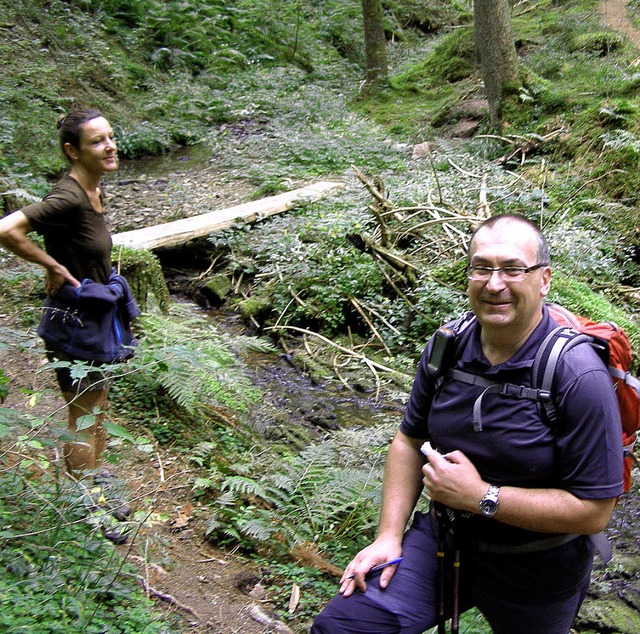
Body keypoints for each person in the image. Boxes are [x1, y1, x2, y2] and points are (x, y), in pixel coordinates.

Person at [311, 214, 623, 633]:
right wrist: (388, 535)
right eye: (482, 268)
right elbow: (409, 439)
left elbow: (593, 512)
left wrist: (482, 496)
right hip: (444, 541)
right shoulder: (447, 348)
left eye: (513, 269)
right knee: (345, 627)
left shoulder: (577, 375)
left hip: (539, 566)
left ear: (544, 280)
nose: (495, 284)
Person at [0, 109, 139, 479]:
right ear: (72, 150)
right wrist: (54, 266)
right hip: (74, 322)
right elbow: (6, 230)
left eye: (110, 137)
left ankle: (96, 480)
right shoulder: (69, 197)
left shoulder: (94, 188)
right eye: (97, 141)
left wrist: (54, 261)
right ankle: (85, 504)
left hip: (97, 315)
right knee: (82, 412)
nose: (110, 147)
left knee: (99, 405)